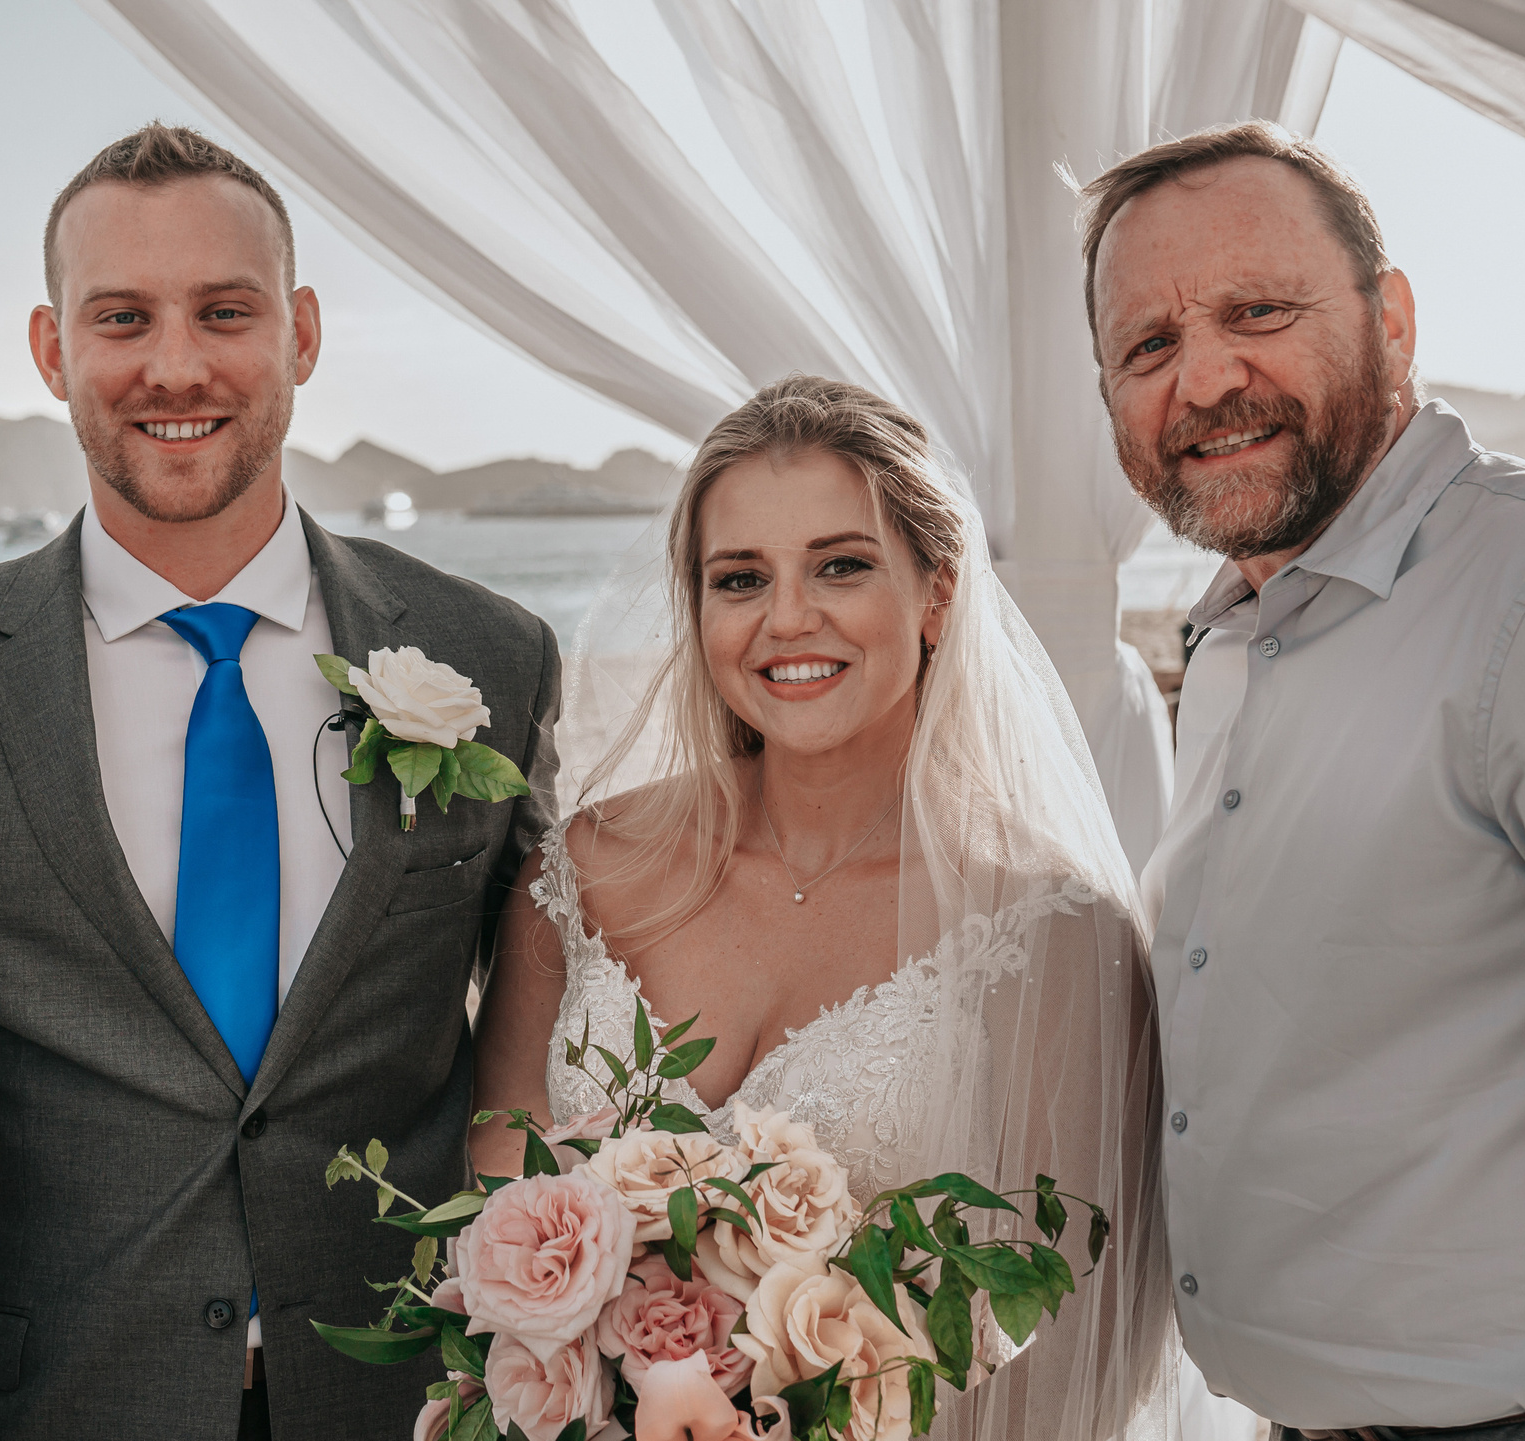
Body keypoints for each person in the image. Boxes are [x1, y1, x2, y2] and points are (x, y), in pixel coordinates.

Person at [0, 124, 559, 1441]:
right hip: (48, 1404)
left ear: (302, 333)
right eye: (122, 317)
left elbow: (536, 1037)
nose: (175, 364)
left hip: (410, 1399)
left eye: (225, 311)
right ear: (51, 350)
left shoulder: (492, 654)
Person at [1085, 120, 1525, 1440]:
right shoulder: (1243, 640)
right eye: (1148, 346)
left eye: (1258, 309)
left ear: (1394, 319)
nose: (1203, 379)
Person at [474, 374, 1177, 1440]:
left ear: (937, 590)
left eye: (840, 565)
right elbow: (492, 1201)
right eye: (739, 578)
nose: (786, 619)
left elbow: (1075, 1341)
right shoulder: (585, 868)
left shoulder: (1050, 928)